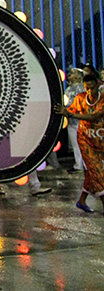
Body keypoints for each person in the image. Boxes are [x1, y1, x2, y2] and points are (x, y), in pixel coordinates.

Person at [54, 67, 104, 213]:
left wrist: (72, 115)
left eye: (92, 88)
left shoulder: (102, 99)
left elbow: (95, 116)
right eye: (87, 88)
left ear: (98, 86)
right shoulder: (80, 98)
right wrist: (65, 112)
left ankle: (82, 200)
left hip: (100, 140)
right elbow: (70, 111)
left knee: (91, 173)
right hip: (85, 140)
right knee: (97, 171)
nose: (90, 91)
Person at [66, 67, 87, 172]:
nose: (70, 75)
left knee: (83, 143)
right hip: (71, 120)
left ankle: (85, 165)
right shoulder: (69, 89)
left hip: (80, 119)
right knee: (75, 144)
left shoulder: (83, 88)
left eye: (73, 74)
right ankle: (79, 164)